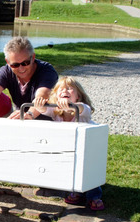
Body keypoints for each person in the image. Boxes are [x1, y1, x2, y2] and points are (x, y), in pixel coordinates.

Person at [33, 76, 104, 211]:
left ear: (78, 96)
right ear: (56, 97)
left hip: (88, 147)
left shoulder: (82, 110)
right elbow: (43, 109)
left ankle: (94, 197)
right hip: (71, 147)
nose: (65, 91)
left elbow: (83, 109)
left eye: (70, 89)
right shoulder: (55, 111)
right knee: (73, 170)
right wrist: (39, 103)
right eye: (61, 89)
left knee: (89, 171)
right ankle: (77, 192)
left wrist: (73, 107)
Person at [0, 36, 58, 120]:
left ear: (33, 57)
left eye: (25, 63)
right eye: (15, 65)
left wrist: (29, 114)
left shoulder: (47, 71)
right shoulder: (6, 71)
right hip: (20, 120)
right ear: (8, 62)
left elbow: (42, 95)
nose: (21, 68)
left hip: (46, 122)